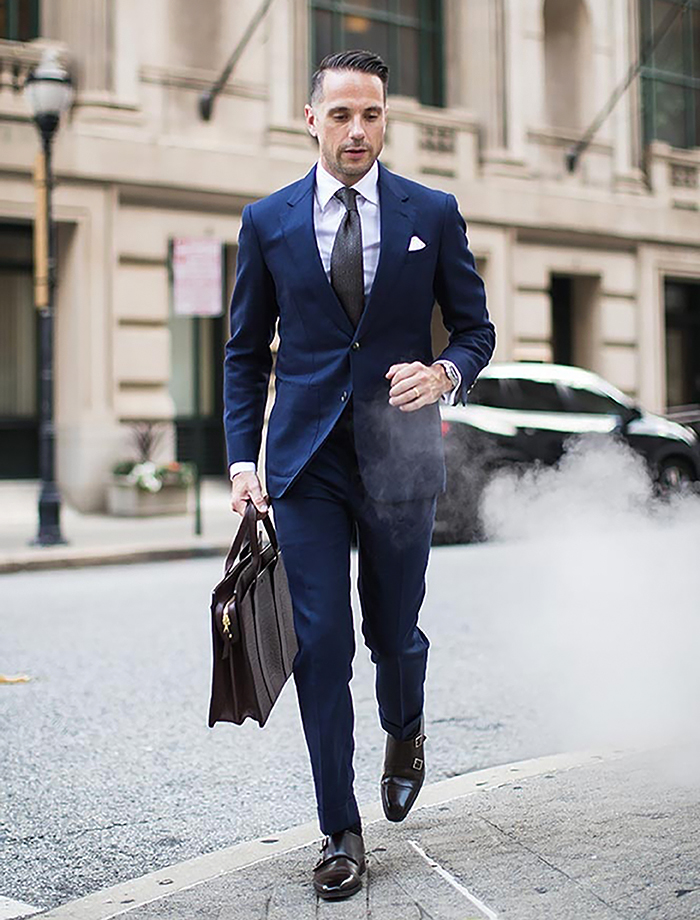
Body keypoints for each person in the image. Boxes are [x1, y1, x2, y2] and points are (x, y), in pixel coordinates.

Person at [224, 49, 495, 901]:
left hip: (400, 456)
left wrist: (444, 373)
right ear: (312, 119)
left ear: (386, 119)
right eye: (340, 115)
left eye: (371, 114)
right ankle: (340, 828)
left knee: (394, 633)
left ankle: (405, 729)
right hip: (305, 462)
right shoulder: (267, 222)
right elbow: (242, 355)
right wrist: (241, 457)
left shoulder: (433, 212)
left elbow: (476, 330)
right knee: (320, 645)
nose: (356, 130)